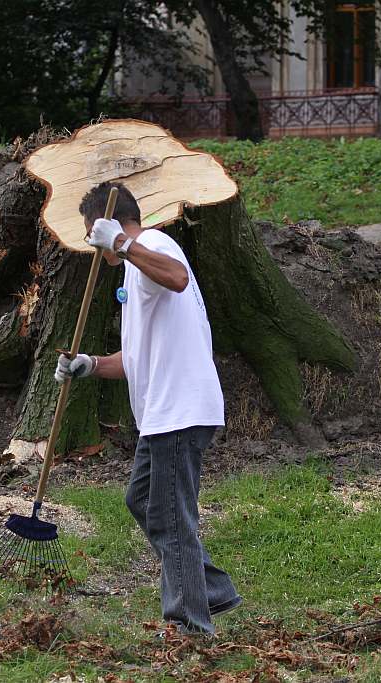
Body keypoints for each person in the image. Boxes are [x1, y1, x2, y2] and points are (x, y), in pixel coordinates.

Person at [55, 181, 242, 635]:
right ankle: (210, 589)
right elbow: (135, 357)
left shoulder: (152, 244)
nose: (93, 247)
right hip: (161, 414)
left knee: (170, 515)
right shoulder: (136, 269)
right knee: (141, 499)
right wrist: (89, 365)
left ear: (107, 224)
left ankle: (189, 625)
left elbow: (177, 277)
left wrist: (121, 242)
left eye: (90, 234)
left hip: (179, 409)